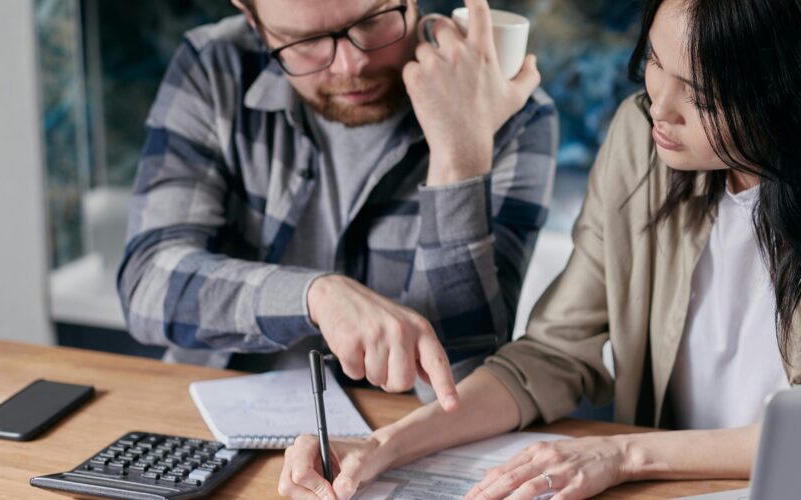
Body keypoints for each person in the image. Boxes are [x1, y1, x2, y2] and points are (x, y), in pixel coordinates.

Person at [278, 0, 801, 497]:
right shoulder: (642, 140)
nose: (657, 106)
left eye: (699, 96)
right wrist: (387, 445)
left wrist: (627, 456)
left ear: (790, 96)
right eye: (655, 66)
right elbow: (550, 355)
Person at [118, 0, 558, 408]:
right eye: (306, 41)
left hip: (400, 440)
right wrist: (315, 297)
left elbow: (461, 385)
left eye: (373, 20)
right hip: (213, 410)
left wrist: (459, 159)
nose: (353, 64)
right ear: (254, 20)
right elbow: (146, 288)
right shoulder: (216, 65)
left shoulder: (512, 112)